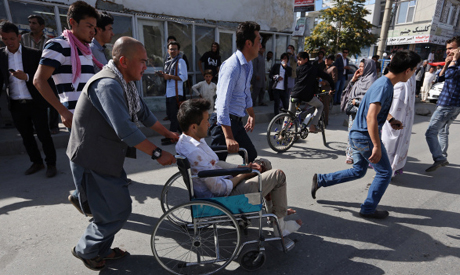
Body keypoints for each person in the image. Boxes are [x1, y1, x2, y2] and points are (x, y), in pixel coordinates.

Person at [68, 37, 178, 271]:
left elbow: (144, 114)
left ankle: (100, 249)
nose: (145, 67)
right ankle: (86, 249)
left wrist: (169, 133)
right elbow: (125, 129)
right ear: (124, 61)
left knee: (109, 210)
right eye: (142, 61)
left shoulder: (125, 83)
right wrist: (158, 153)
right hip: (91, 158)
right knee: (117, 210)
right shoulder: (107, 85)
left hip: (106, 157)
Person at [311, 50, 421, 219]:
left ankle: (321, 180)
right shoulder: (384, 86)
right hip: (364, 136)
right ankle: (368, 209)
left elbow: (371, 107)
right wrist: (376, 145)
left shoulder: (382, 83)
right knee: (384, 172)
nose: (413, 74)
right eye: (414, 70)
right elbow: (371, 116)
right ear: (407, 70)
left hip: (357, 133)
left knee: (358, 170)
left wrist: (390, 120)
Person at [176, 98, 302, 236]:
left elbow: (216, 163)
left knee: (263, 163)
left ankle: (276, 212)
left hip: (224, 181)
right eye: (206, 120)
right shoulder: (194, 152)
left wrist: (241, 167)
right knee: (278, 175)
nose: (209, 123)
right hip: (222, 198)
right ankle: (280, 227)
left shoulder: (189, 141)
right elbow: (219, 189)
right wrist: (244, 174)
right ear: (194, 127)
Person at [0, 21, 57, 177]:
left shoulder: (34, 54)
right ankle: (36, 162)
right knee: (26, 137)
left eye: (12, 38)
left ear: (19, 37)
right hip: (16, 103)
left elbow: (47, 79)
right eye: (5, 39)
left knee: (44, 134)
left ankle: (51, 164)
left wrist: (26, 77)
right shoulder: (1, 56)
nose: (9, 42)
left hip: (35, 102)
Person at [34, 1, 101, 129]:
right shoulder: (58, 45)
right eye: (89, 26)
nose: (93, 31)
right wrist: (62, 111)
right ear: (73, 22)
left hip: (95, 115)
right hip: (77, 118)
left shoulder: (85, 48)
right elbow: (38, 80)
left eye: (94, 27)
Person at [209, 21, 260, 163]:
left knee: (250, 155)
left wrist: (251, 114)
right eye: (258, 41)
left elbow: (246, 92)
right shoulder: (232, 66)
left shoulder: (248, 64)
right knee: (215, 166)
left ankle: (236, 183)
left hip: (236, 122)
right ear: (248, 43)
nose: (260, 45)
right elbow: (222, 103)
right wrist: (229, 137)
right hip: (222, 124)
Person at [425, 36, 460, 172]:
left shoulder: (457, 63)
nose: (448, 51)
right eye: (447, 49)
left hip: (449, 104)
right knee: (443, 131)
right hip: (449, 104)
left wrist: (454, 60)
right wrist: (446, 63)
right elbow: (440, 78)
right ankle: (442, 156)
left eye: (451, 48)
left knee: (430, 133)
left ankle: (439, 158)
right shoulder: (451, 63)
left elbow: (450, 75)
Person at [21, 15, 60, 135]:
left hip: (46, 72)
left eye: (34, 23)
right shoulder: (24, 38)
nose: (31, 25)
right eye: (30, 23)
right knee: (32, 100)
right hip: (29, 73)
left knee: (52, 97)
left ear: (42, 26)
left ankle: (53, 125)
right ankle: (34, 126)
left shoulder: (49, 41)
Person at [340, 59, 377, 164]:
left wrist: (357, 101)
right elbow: (349, 92)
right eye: (359, 66)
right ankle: (350, 154)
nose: (359, 69)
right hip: (354, 112)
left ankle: (363, 156)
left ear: (369, 68)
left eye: (362, 66)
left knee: (363, 136)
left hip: (365, 114)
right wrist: (353, 80)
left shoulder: (372, 81)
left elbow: (372, 100)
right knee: (351, 133)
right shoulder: (360, 79)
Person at [290, 52, 334, 133]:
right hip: (306, 95)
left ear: (306, 59)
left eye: (300, 60)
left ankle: (282, 134)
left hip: (294, 93)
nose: (298, 62)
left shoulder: (298, 69)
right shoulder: (314, 69)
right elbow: (327, 76)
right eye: (298, 60)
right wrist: (333, 88)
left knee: (290, 115)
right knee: (320, 106)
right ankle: (313, 126)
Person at [382, 73, 416, 177]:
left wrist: (390, 118)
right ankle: (388, 169)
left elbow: (392, 106)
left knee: (389, 144)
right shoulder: (407, 80)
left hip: (394, 119)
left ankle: (386, 171)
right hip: (396, 119)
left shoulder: (402, 84)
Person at [158, 41, 188, 134]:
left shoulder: (180, 61)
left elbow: (184, 77)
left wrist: (169, 76)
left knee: (174, 117)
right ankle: (184, 135)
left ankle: (172, 136)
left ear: (178, 51)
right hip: (169, 92)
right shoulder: (168, 62)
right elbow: (168, 76)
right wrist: (163, 75)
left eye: (175, 49)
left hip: (176, 93)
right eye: (171, 49)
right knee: (172, 116)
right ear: (168, 50)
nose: (173, 51)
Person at [320, 54, 338, 126]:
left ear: (331, 60)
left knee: (326, 106)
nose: (326, 60)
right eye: (326, 59)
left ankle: (325, 122)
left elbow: (334, 80)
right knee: (321, 105)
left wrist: (326, 83)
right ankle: (321, 120)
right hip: (322, 89)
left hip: (328, 90)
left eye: (328, 59)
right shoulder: (325, 68)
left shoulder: (333, 68)